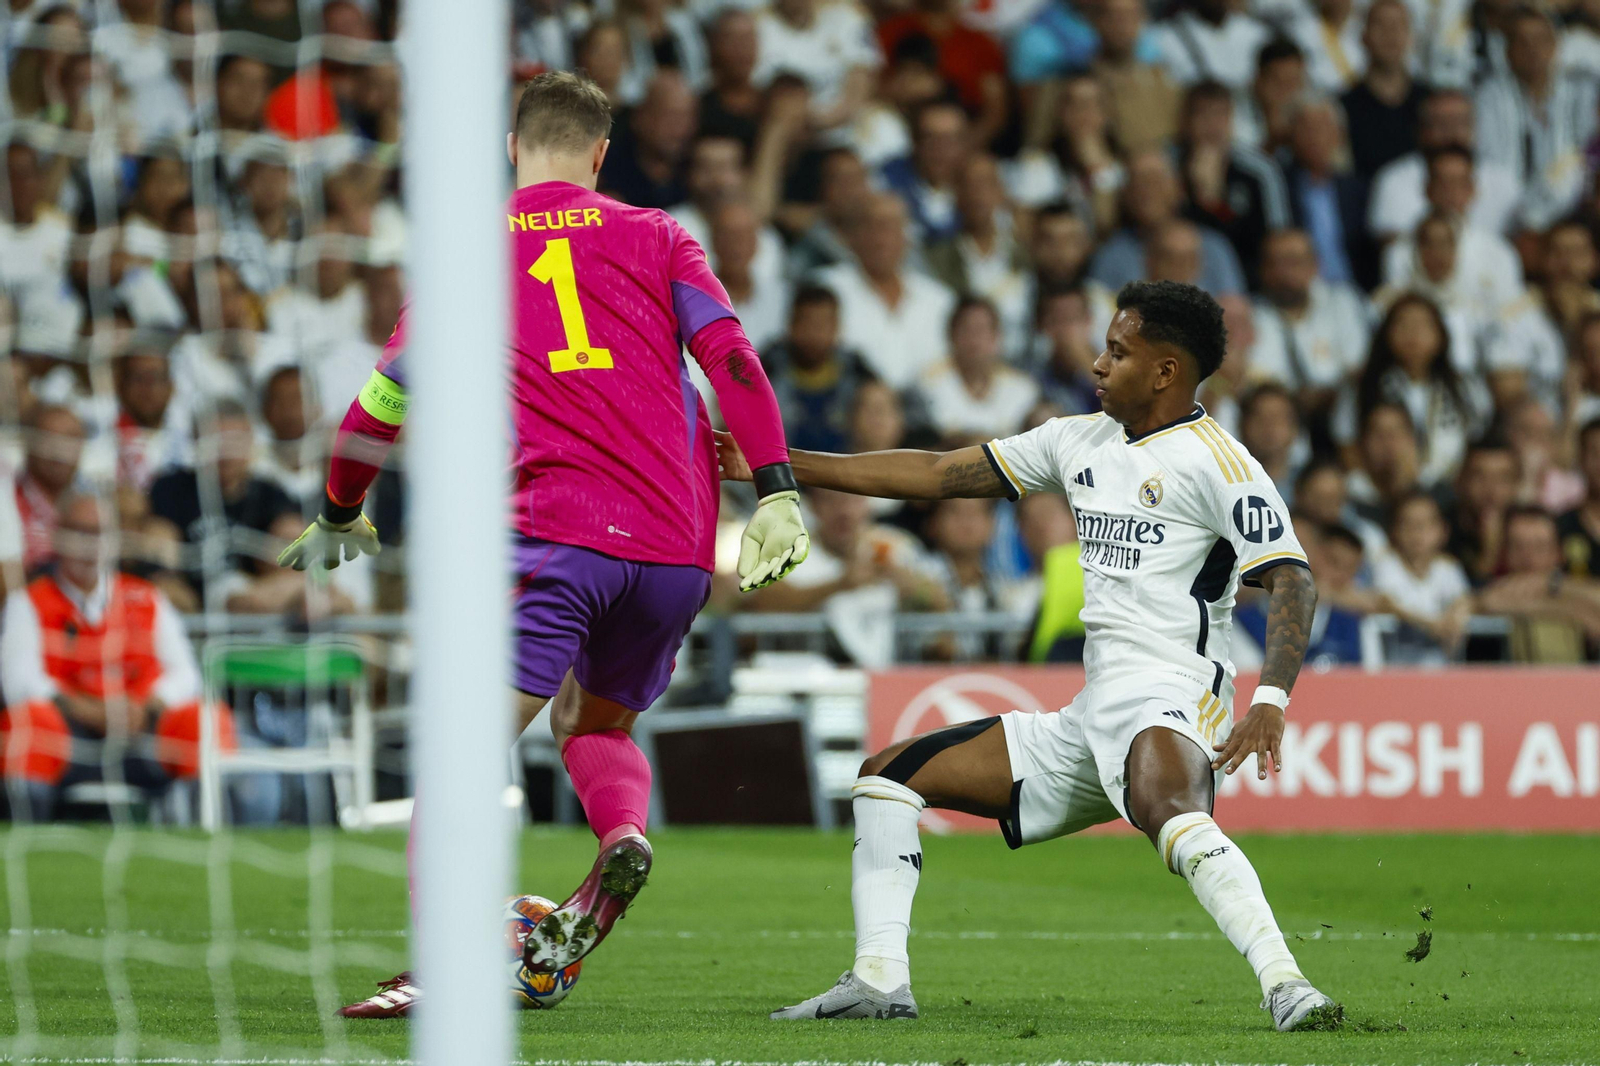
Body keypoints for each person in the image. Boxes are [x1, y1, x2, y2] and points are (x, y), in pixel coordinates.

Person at [279, 72, 808, 1017]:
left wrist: (338, 505)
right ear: (602, 155)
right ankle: (620, 837)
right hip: (680, 546)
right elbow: (734, 359)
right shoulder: (660, 234)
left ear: (512, 147)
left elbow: (383, 402)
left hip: (560, 534)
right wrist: (777, 492)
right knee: (594, 726)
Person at [718, 280, 1339, 1031]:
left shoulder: (1222, 465)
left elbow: (1292, 579)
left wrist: (1270, 701)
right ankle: (879, 979)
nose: (1099, 364)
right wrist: (781, 467)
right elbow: (938, 474)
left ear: (1167, 371)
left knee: (1165, 807)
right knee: (886, 779)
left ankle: (1288, 986)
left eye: (1118, 351)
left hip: (1175, 691)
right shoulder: (1074, 440)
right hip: (1093, 712)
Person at [0, 493, 235, 821]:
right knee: (26, 723)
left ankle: (208, 830)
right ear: (57, 536)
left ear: (114, 540)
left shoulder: (146, 597)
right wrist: (88, 711)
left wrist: (146, 707)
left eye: (97, 533)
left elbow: (185, 675)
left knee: (206, 719)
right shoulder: (28, 602)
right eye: (78, 532)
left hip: (142, 735)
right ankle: (26, 834)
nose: (88, 545)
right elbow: (19, 680)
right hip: (70, 738)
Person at [1371, 490, 1472, 662]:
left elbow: (1464, 599)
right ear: (1394, 531)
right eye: (1408, 524)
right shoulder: (1385, 565)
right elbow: (1387, 603)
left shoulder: (1448, 568)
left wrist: (1457, 615)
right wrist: (1430, 625)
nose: (1417, 532)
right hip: (1396, 671)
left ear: (1443, 531)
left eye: (1425, 524)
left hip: (1440, 671)